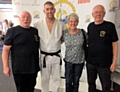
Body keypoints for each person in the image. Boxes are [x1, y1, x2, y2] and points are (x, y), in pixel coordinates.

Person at [2, 11, 40, 92]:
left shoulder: (34, 31)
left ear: (31, 19)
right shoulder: (12, 31)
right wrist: (6, 66)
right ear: (19, 18)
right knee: (21, 89)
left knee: (31, 89)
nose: (26, 19)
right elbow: (5, 50)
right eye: (23, 17)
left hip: (33, 67)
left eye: (28, 17)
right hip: (19, 68)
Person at [34, 1, 66, 92]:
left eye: (51, 9)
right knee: (44, 80)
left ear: (54, 10)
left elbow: (64, 38)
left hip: (56, 56)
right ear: (44, 11)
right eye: (47, 9)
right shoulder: (37, 24)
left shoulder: (61, 25)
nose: (49, 11)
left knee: (56, 79)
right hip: (44, 56)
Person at [86, 5, 118, 92]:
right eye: (96, 12)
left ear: (104, 14)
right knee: (91, 85)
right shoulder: (90, 26)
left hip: (105, 64)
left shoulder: (110, 26)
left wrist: (114, 61)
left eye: (100, 12)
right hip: (91, 63)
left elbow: (115, 44)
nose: (98, 14)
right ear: (92, 14)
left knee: (106, 87)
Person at [61, 13, 87, 92]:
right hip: (68, 61)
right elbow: (57, 42)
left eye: (75, 21)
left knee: (76, 82)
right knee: (68, 82)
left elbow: (89, 43)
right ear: (68, 22)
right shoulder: (65, 33)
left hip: (80, 61)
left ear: (78, 22)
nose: (73, 23)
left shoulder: (82, 32)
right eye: (71, 21)